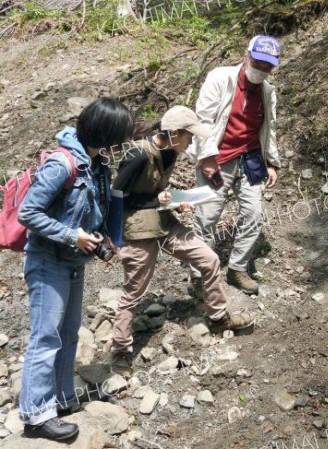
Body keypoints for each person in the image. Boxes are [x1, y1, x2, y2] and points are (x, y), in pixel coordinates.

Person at [17, 98, 134, 441]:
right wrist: (72, 234)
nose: (123, 142)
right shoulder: (62, 164)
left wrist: (107, 240)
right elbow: (29, 213)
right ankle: (36, 415)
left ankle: (61, 399)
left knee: (69, 335)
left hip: (72, 263)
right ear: (105, 133)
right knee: (46, 337)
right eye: (120, 135)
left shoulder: (97, 165)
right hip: (47, 261)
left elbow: (95, 210)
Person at [109, 106, 256, 377]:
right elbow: (117, 196)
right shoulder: (139, 154)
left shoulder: (170, 152)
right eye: (189, 137)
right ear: (174, 133)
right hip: (139, 231)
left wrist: (175, 200)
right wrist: (158, 201)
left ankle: (218, 317)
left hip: (165, 224)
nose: (191, 142)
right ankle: (120, 351)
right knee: (133, 293)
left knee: (209, 259)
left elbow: (154, 191)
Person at [187, 34, 282, 296]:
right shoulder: (220, 78)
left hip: (250, 158)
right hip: (219, 157)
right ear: (246, 56)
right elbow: (203, 119)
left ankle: (237, 268)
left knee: (253, 214)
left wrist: (272, 163)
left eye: (267, 66)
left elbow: (269, 128)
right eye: (257, 62)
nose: (261, 70)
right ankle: (199, 274)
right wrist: (206, 157)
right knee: (207, 217)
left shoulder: (268, 92)